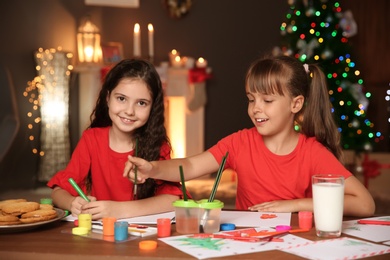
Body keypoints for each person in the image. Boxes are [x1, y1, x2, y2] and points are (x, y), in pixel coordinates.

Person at [124, 55, 375, 217]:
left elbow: (365, 204)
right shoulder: (239, 142)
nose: (256, 108)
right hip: (248, 242)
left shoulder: (313, 152)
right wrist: (152, 168)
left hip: (296, 242)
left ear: (296, 104)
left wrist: (295, 204)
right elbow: (190, 165)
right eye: (251, 99)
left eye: (267, 100)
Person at [48, 58, 186, 220]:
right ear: (108, 98)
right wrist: (72, 203)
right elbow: (58, 191)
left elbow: (173, 199)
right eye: (121, 99)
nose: (129, 111)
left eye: (141, 103)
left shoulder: (158, 145)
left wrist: (119, 210)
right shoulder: (91, 139)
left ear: (152, 107)